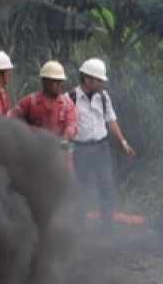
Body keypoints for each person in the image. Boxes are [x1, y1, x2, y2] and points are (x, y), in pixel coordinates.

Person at [70, 58, 134, 230]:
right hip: (80, 149)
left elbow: (110, 120)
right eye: (99, 80)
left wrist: (123, 141)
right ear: (87, 79)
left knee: (106, 184)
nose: (101, 84)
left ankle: (108, 225)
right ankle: (79, 224)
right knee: (80, 185)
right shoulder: (70, 98)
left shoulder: (104, 98)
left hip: (101, 147)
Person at [14, 61, 77, 170]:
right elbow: (12, 121)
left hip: (60, 157)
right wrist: (32, 133)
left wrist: (65, 137)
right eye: (55, 81)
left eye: (60, 81)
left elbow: (72, 124)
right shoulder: (29, 101)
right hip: (34, 156)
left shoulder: (67, 104)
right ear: (45, 82)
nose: (59, 85)